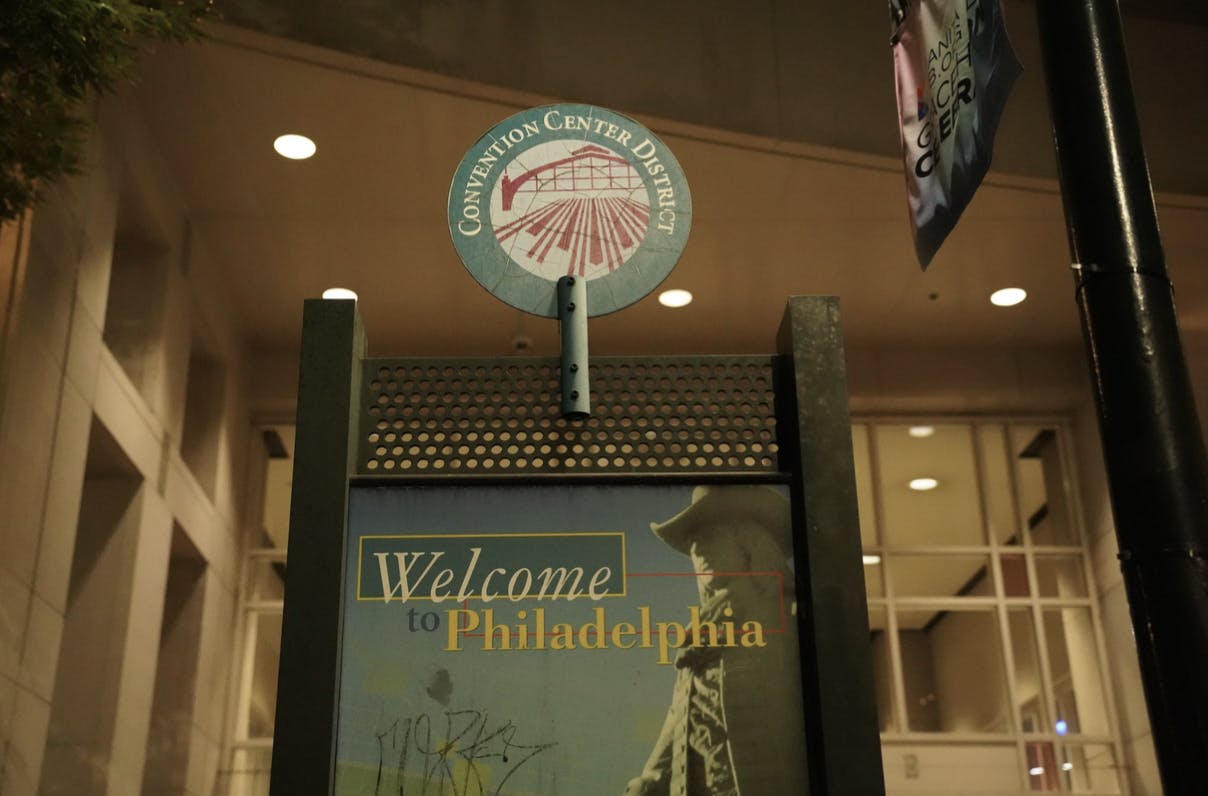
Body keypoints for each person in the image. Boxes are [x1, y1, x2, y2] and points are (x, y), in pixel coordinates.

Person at [623, 485, 810, 796]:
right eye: (694, 545)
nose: (698, 552)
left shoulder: (788, 618)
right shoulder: (699, 635)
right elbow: (680, 711)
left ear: (747, 543)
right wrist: (651, 776)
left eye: (710, 539)